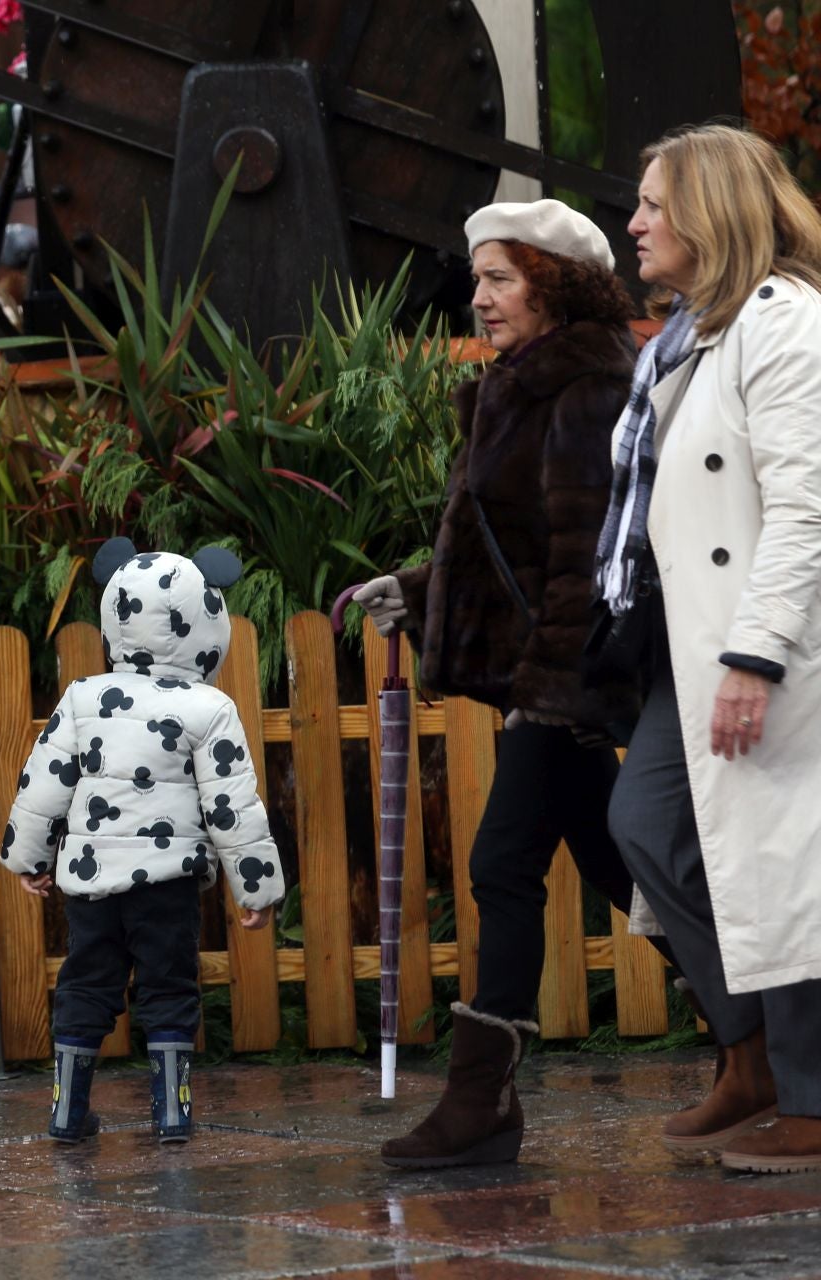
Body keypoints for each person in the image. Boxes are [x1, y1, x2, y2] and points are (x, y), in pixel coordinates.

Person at [358, 199, 662, 1168]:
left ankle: (481, 1101)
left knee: (502, 863)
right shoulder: (524, 382)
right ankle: (766, 1047)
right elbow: (513, 548)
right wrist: (414, 589)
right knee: (634, 869)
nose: (478, 295)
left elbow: (583, 563)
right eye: (479, 276)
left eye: (500, 276)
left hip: (564, 678)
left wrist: (550, 686)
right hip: (552, 676)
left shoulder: (585, 384)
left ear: (554, 279)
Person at [601, 124, 821, 1175]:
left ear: (710, 211)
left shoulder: (785, 323)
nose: (635, 223)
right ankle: (752, 1055)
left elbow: (804, 508)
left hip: (765, 646)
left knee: (789, 864)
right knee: (646, 827)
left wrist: (757, 652)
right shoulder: (687, 337)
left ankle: (810, 1091)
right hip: (683, 646)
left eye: (652, 204)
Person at [0, 538, 282, 1144]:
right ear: (208, 621)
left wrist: (28, 856)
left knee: (86, 983)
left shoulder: (82, 698)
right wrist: (256, 889)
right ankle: (172, 1112)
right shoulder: (209, 708)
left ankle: (67, 1112)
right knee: (168, 986)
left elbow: (44, 782)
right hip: (167, 881)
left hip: (92, 882)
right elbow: (232, 804)